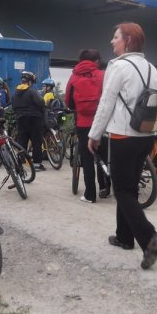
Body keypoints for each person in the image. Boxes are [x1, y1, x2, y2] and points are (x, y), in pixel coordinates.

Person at [88, 22, 157, 270]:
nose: (112, 41)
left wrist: (94, 135)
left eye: (116, 37)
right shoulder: (151, 68)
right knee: (129, 187)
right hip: (146, 134)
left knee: (122, 190)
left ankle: (149, 238)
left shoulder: (118, 66)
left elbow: (106, 102)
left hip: (123, 135)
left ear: (128, 41)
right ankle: (124, 237)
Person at [65, 48, 110, 202]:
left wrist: (77, 108)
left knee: (87, 158)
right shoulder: (103, 75)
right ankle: (106, 188)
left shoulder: (74, 76)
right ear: (96, 61)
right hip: (102, 121)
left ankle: (90, 195)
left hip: (83, 123)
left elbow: (68, 100)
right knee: (104, 154)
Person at [12, 71, 46, 171]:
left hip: (21, 118)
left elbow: (14, 107)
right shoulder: (32, 92)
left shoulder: (15, 93)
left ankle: (20, 162)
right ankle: (37, 164)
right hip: (34, 119)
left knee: (22, 141)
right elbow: (41, 103)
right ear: (30, 82)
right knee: (36, 141)